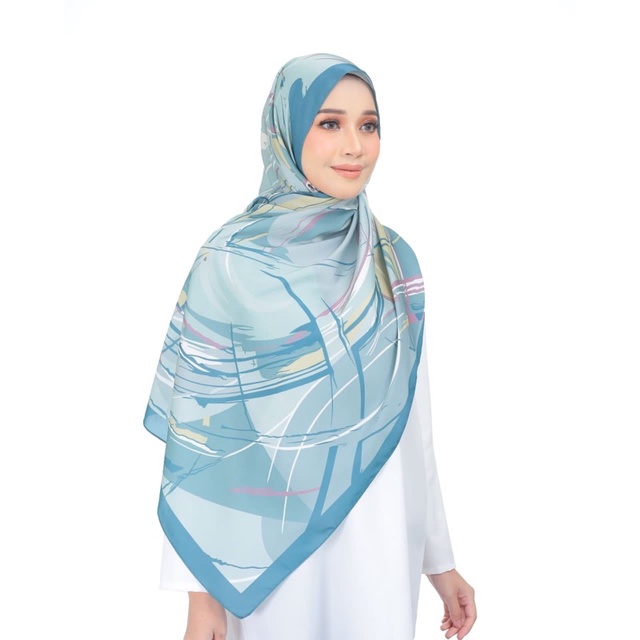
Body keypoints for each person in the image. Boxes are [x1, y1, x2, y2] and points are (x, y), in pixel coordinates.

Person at [144, 52, 477, 640]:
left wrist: (439, 560)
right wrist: (202, 600)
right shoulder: (232, 262)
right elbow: (198, 442)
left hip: (382, 543)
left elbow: (413, 424)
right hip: (272, 557)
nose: (354, 146)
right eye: (329, 123)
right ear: (288, 130)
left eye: (368, 125)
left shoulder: (391, 258)